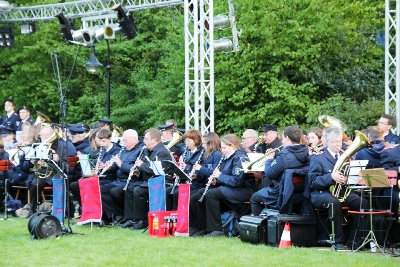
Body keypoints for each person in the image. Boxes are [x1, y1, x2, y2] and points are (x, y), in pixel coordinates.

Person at [308, 126, 367, 250]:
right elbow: (313, 181)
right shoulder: (318, 158)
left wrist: (353, 177)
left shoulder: (345, 157)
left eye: (339, 141)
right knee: (334, 203)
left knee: (362, 203)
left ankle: (354, 240)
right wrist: (331, 177)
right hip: (321, 193)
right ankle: (338, 241)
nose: (338, 144)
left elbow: (351, 178)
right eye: (334, 141)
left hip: (342, 191)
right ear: (327, 142)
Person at [189, 134, 253, 237]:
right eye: (221, 148)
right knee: (200, 194)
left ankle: (216, 230)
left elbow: (237, 181)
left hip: (242, 190)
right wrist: (215, 180)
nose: (222, 150)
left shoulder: (239, 157)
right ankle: (200, 227)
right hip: (230, 187)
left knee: (211, 194)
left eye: (224, 148)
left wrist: (219, 175)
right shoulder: (227, 157)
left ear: (232, 145)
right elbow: (225, 177)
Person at [250, 126, 309, 216]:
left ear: (288, 138)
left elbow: (269, 174)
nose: (282, 141)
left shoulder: (284, 156)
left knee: (254, 198)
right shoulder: (308, 152)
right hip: (302, 193)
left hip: (281, 193)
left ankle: (262, 227)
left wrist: (269, 159)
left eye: (283, 138)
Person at [130, 128, 173, 229]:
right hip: (151, 180)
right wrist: (138, 172)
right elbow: (146, 168)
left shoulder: (163, 152)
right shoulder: (148, 151)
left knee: (139, 191)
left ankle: (143, 220)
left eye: (146, 139)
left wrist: (141, 165)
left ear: (153, 140)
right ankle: (133, 218)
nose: (144, 141)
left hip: (162, 181)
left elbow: (157, 170)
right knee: (130, 188)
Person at [28, 125, 77, 213]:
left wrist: (58, 161)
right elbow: (24, 166)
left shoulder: (63, 146)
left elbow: (69, 168)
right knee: (35, 184)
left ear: (52, 135)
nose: (45, 138)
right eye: (43, 135)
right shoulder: (37, 146)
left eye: (47, 135)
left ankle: (67, 212)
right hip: (44, 175)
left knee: (61, 184)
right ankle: (32, 210)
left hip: (59, 175)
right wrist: (32, 162)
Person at [101, 129, 144, 223]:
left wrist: (121, 164)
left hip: (130, 181)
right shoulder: (124, 150)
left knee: (115, 192)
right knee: (101, 190)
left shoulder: (140, 150)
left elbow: (136, 169)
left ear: (133, 139)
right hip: (118, 180)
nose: (123, 143)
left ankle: (121, 215)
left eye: (125, 140)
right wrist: (107, 167)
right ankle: (115, 215)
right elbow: (116, 166)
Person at [166, 129, 205, 210]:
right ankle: (169, 216)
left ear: (196, 140)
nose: (186, 143)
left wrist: (186, 167)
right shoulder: (186, 152)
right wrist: (178, 171)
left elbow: (198, 170)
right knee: (168, 192)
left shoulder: (202, 153)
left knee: (177, 193)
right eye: (186, 140)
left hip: (196, 183)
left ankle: (178, 217)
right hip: (184, 181)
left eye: (189, 141)